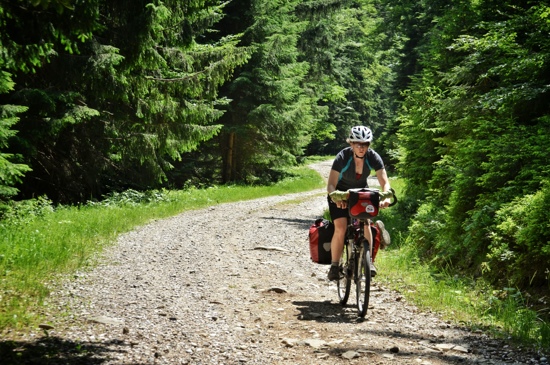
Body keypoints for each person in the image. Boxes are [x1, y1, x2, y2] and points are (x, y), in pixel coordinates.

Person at [326, 125, 392, 281]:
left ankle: (368, 261)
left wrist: (386, 196)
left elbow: (385, 181)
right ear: (351, 143)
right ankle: (335, 266)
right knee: (341, 227)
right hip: (340, 193)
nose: (361, 147)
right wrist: (336, 198)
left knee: (366, 223)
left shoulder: (373, 157)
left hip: (361, 193)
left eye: (365, 144)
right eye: (358, 143)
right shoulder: (342, 157)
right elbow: (330, 185)